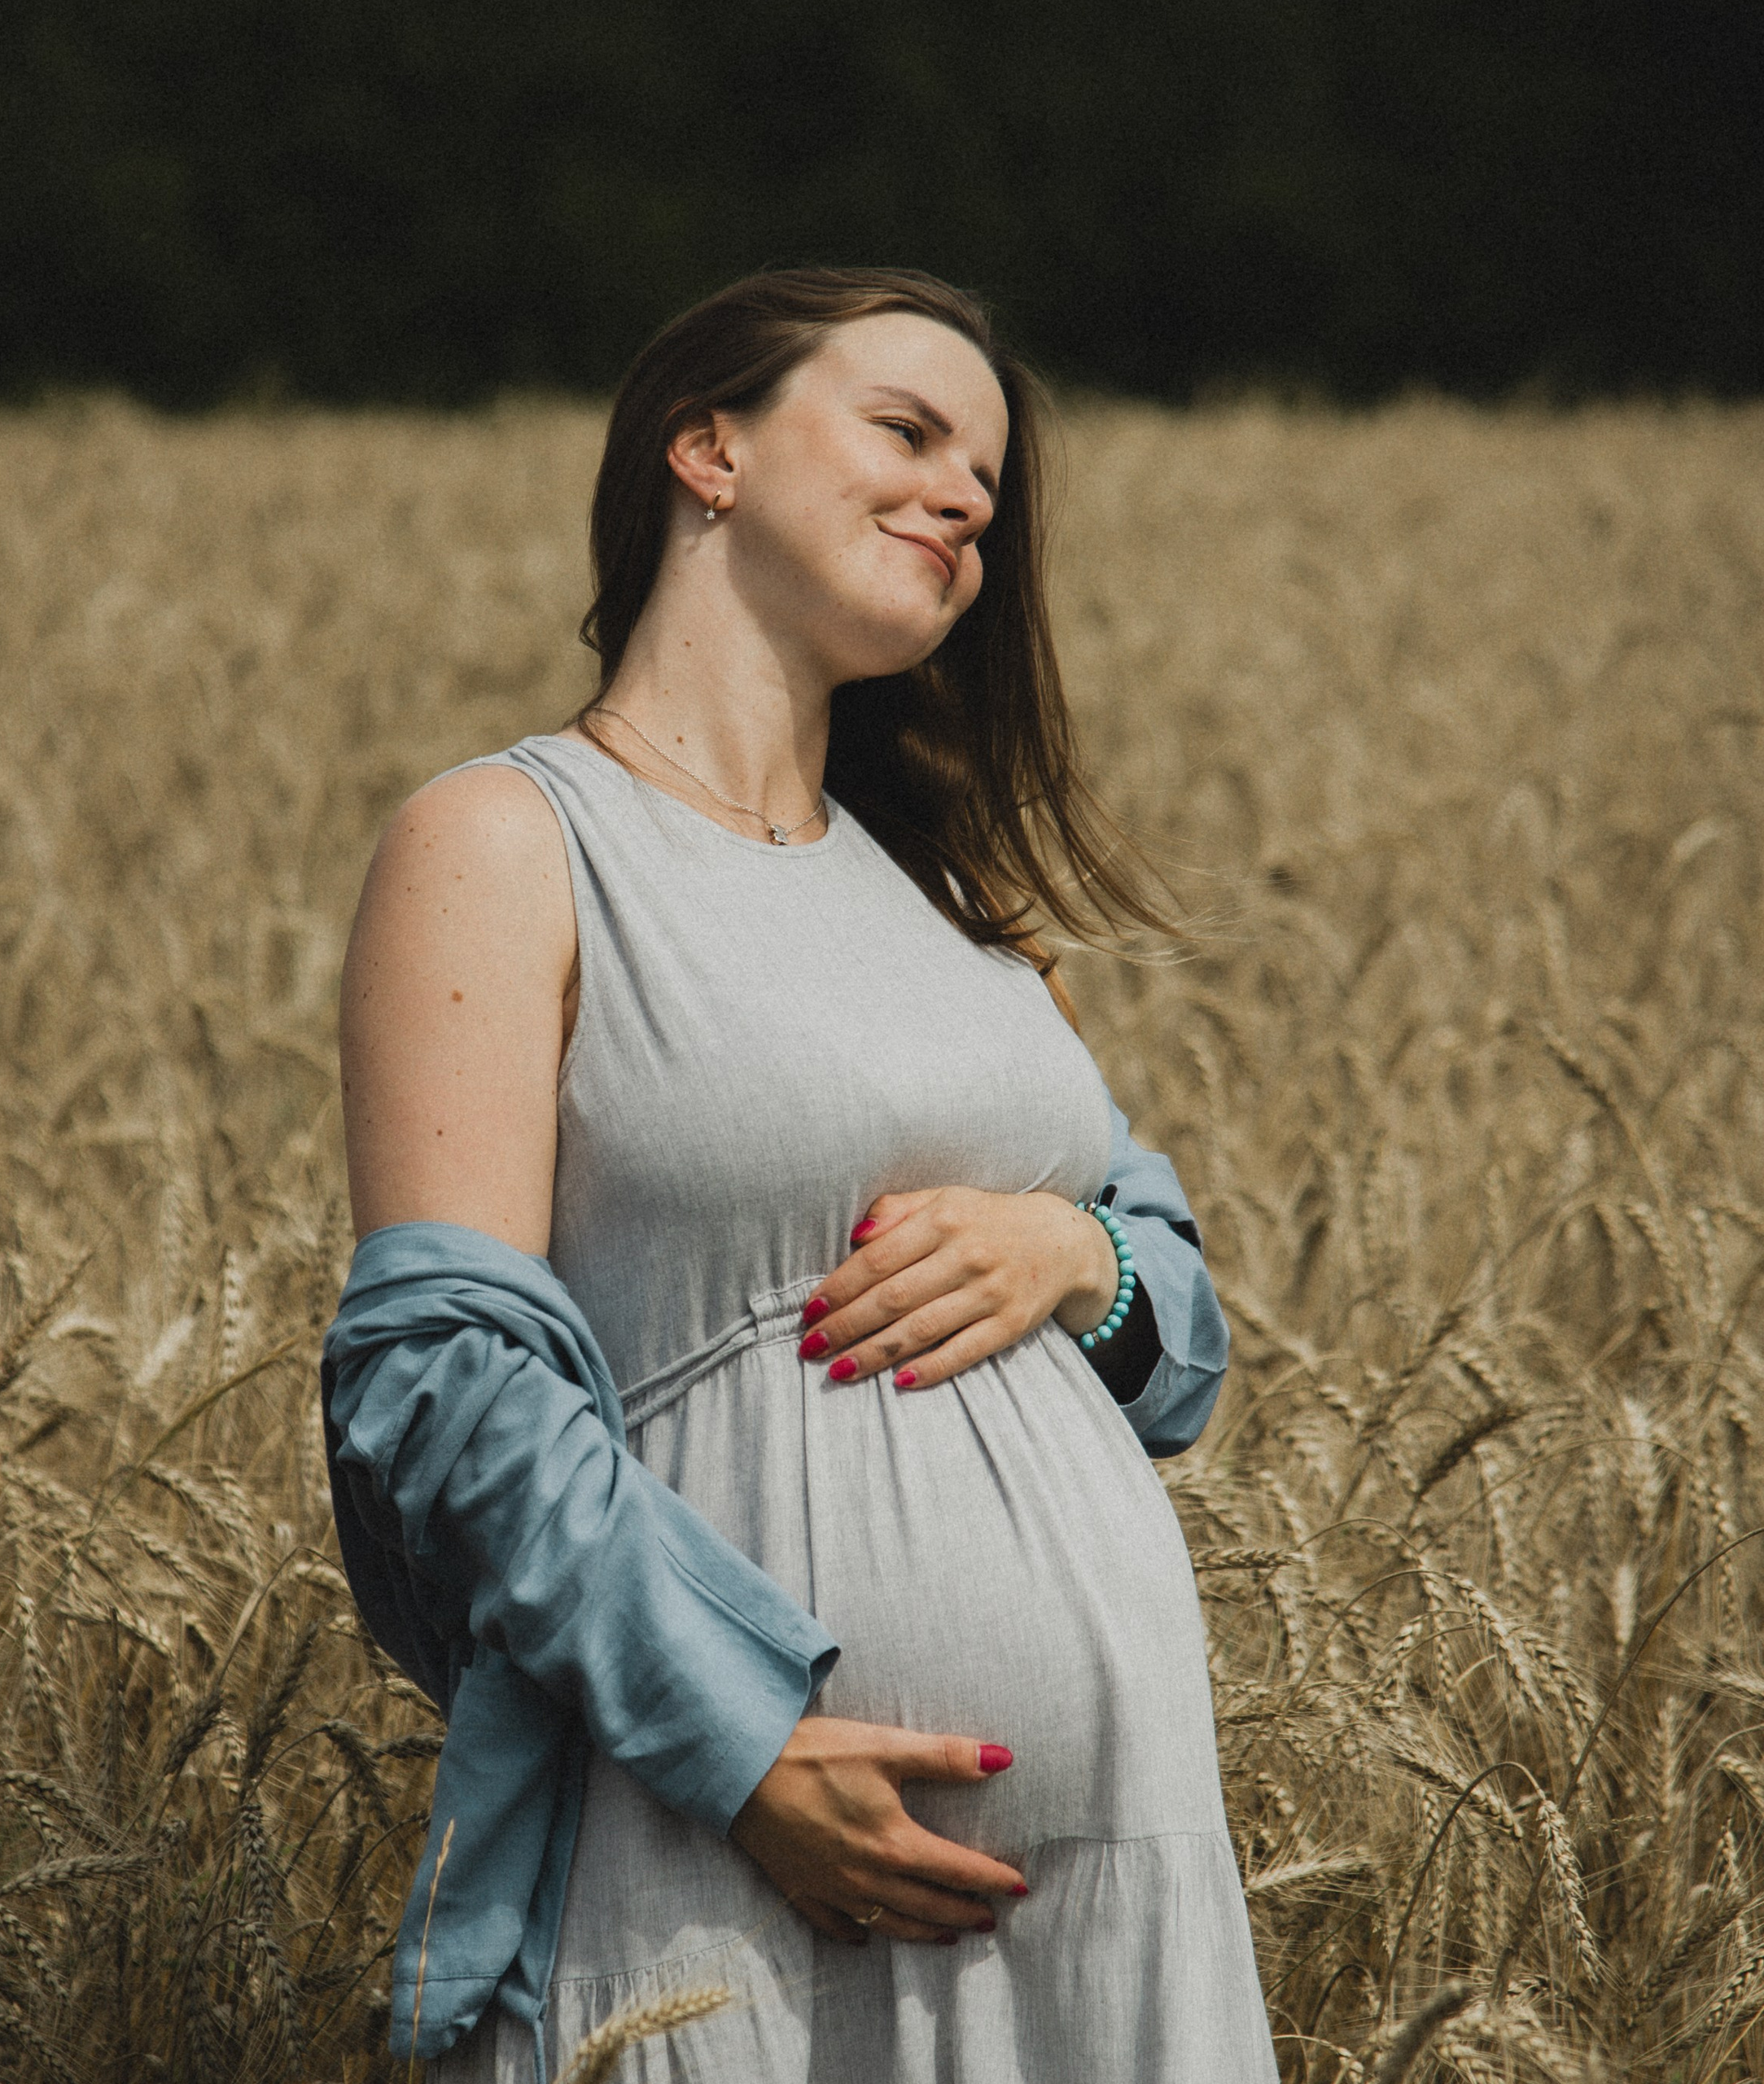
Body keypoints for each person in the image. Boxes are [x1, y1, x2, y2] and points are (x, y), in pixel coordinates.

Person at [329, 266, 1276, 2082]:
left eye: (987, 483)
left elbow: (1180, 1338)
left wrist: (1072, 1254)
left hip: (1110, 1871)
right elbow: (438, 1379)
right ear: (709, 451)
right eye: (907, 432)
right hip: (718, 1869)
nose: (965, 499)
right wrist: (743, 1744)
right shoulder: (510, 840)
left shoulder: (953, 900)